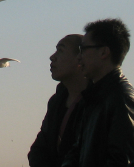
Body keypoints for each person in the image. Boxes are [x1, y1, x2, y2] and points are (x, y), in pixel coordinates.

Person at [62, 18, 134, 167]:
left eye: (83, 49)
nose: (79, 56)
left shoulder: (123, 99)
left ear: (104, 52)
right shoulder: (93, 98)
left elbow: (124, 160)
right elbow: (77, 152)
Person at [27, 34, 88, 167]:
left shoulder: (98, 103)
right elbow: (38, 149)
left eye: (60, 51)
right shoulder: (57, 101)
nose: (52, 57)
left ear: (80, 59)